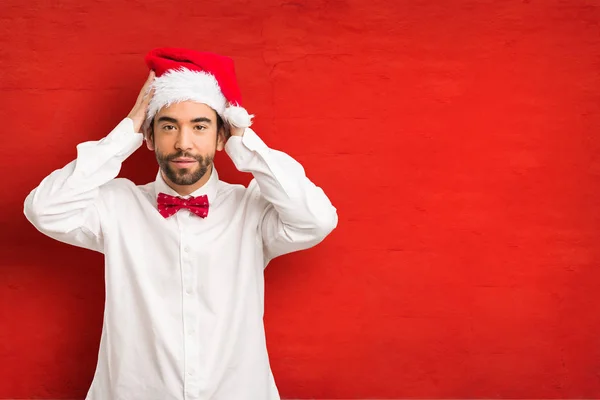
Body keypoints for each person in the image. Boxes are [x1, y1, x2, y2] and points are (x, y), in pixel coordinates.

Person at [23, 48, 338, 400]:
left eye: (200, 126)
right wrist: (127, 129)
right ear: (150, 137)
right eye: (169, 126)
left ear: (221, 138)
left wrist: (244, 140)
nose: (183, 143)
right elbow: (44, 209)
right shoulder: (116, 204)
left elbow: (317, 220)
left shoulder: (252, 209)